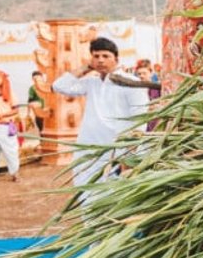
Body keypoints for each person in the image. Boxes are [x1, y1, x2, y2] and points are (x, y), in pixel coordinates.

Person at [52, 38, 149, 189]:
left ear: (116, 59)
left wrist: (129, 154)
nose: (100, 60)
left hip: (117, 151)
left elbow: (141, 120)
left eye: (105, 56)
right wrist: (87, 67)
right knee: (86, 193)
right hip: (89, 150)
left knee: (113, 197)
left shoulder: (131, 82)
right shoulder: (92, 83)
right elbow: (59, 86)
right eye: (96, 56)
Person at [27, 70, 48, 135]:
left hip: (48, 111)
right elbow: (30, 100)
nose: (36, 80)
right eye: (34, 79)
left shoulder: (48, 86)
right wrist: (29, 113)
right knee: (41, 130)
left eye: (38, 78)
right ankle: (42, 142)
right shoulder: (32, 88)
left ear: (42, 77)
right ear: (32, 79)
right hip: (39, 112)